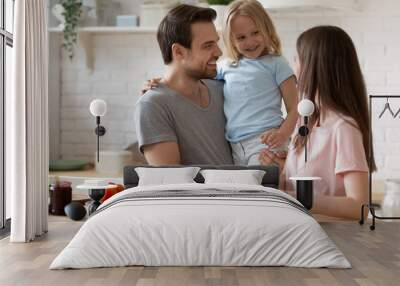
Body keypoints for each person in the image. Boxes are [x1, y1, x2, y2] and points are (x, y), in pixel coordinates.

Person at [260, 26, 376, 219]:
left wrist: (293, 199)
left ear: (313, 66)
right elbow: (301, 187)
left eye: (297, 58)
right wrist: (283, 170)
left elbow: (360, 207)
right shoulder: (306, 123)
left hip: (329, 240)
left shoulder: (344, 128)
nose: (293, 65)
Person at [135, 4, 233, 165]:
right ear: (179, 52)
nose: (218, 52)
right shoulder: (153, 105)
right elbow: (172, 183)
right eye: (208, 46)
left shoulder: (222, 88)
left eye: (216, 43)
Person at [217, 0, 298, 166]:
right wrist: (163, 81)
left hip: (266, 143)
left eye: (255, 33)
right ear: (231, 39)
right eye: (241, 37)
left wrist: (282, 134)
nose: (250, 42)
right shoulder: (225, 66)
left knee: (262, 190)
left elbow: (295, 108)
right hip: (234, 146)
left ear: (266, 30)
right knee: (245, 191)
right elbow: (198, 80)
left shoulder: (277, 63)